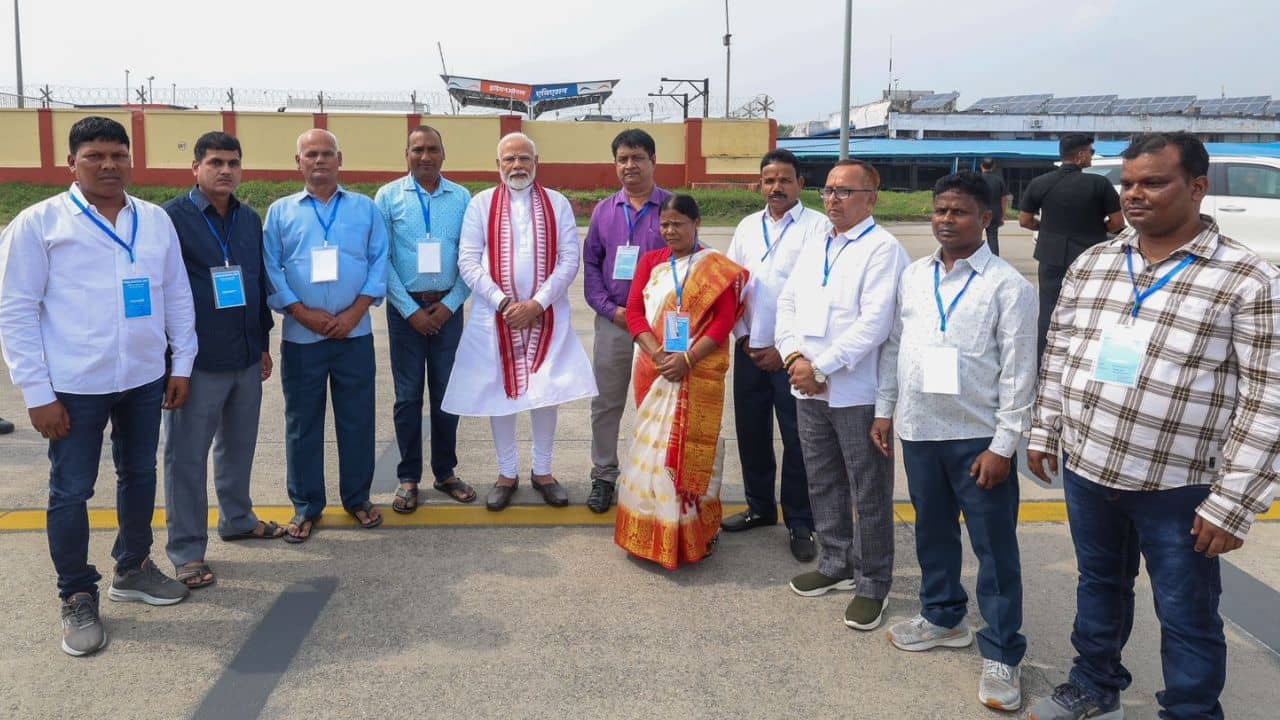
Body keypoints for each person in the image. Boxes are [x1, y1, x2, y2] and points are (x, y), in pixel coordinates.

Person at [1026, 133, 1279, 720]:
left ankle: (1189, 710)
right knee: (1099, 588)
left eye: (1153, 182)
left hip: (1181, 484)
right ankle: (1095, 686)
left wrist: (1233, 502)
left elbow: (1267, 399)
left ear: (1196, 187)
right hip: (1091, 467)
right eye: (1129, 183)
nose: (1135, 195)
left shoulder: (1247, 279)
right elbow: (1062, 348)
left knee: (1187, 611)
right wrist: (1045, 429)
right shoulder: (1096, 261)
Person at [0, 116, 197, 656]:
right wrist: (37, 394)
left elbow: (176, 294)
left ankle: (132, 567)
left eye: (118, 155)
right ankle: (77, 594)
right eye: (95, 156)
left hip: (141, 377)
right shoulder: (39, 224)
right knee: (71, 491)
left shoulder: (154, 220)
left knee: (138, 474)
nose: (109, 165)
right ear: (72, 163)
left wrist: (181, 364)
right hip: (73, 386)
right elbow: (15, 312)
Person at [872, 172, 1038, 712]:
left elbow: (1018, 374)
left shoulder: (1009, 287)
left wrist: (1003, 446)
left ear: (987, 218)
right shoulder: (915, 276)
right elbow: (897, 344)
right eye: (939, 210)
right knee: (932, 533)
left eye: (959, 212)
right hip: (920, 430)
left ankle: (1002, 652)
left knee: (994, 550)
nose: (946, 220)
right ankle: (944, 616)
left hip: (977, 440)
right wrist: (885, 408)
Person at [775, 159, 909, 631]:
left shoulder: (883, 249)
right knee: (822, 479)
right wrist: (794, 360)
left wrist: (822, 367)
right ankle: (835, 563)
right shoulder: (817, 242)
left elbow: (875, 324)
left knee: (868, 488)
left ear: (871, 198)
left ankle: (873, 583)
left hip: (856, 391)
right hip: (807, 388)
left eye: (845, 192)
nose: (832, 199)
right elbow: (786, 303)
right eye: (828, 191)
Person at [442, 133, 597, 510]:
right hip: (495, 317)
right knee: (501, 393)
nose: (517, 166)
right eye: (509, 159)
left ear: (536, 161)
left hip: (547, 315)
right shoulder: (481, 204)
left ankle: (543, 471)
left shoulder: (557, 203)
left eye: (524, 158)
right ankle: (506, 473)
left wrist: (538, 303)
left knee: (547, 392)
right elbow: (468, 261)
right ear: (498, 165)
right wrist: (503, 302)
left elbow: (568, 260)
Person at [161, 131, 282, 590]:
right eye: (215, 162)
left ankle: (237, 518)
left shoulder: (250, 220)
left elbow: (256, 283)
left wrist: (264, 344)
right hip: (197, 361)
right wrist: (174, 363)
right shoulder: (170, 219)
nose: (225, 170)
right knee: (186, 458)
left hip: (246, 356)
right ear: (195, 168)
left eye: (233, 162)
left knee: (238, 446)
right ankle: (187, 551)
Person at [263, 129, 389, 542]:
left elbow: (378, 262)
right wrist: (301, 312)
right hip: (303, 337)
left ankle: (357, 498)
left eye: (327, 154)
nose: (319, 161)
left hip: (355, 335)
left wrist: (354, 312)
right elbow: (272, 268)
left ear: (340, 159)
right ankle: (305, 506)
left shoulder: (366, 209)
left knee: (357, 421)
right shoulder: (281, 212)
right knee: (303, 424)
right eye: (311, 154)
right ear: (297, 162)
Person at [614, 194, 747, 569]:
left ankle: (691, 534)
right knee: (650, 451)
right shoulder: (650, 263)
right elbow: (635, 312)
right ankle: (648, 534)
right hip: (653, 369)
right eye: (665, 224)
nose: (670, 230)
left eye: (678, 223)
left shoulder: (714, 268)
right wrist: (657, 354)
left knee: (688, 451)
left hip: (695, 371)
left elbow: (724, 321)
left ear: (696, 223)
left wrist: (688, 358)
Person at [721, 149, 826, 561]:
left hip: (794, 356)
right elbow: (730, 285)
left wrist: (784, 350)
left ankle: (801, 521)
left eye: (785, 180)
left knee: (799, 439)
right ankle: (760, 507)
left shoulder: (818, 228)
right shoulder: (747, 227)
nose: (776, 187)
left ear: (800, 183)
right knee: (751, 432)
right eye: (769, 180)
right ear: (759, 184)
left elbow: (817, 295)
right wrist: (745, 338)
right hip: (749, 347)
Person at [374, 125, 474, 513]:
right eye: (418, 150)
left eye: (433, 150)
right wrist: (410, 310)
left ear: (444, 155)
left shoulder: (462, 198)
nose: (426, 157)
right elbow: (381, 259)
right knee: (408, 396)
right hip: (406, 314)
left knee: (448, 393)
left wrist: (450, 304)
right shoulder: (388, 197)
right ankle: (408, 476)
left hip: (449, 308)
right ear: (407, 155)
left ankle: (445, 472)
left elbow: (471, 258)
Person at [582, 129, 670, 513]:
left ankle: (661, 476)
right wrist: (609, 309)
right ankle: (603, 475)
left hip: (660, 327)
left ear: (653, 161)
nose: (629, 166)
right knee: (606, 401)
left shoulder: (672, 206)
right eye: (622, 159)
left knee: (664, 403)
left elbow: (691, 261)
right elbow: (591, 266)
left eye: (637, 157)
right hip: (616, 322)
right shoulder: (604, 210)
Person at [1019, 133, 1124, 360]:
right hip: (1091, 256)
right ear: (1080, 155)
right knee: (1090, 308)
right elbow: (1117, 223)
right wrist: (1096, 229)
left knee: (1048, 309)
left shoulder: (1039, 183)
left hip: (1051, 255)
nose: (1092, 156)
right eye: (1091, 152)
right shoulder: (1099, 184)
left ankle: (1044, 358)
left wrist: (1046, 229)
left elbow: (1025, 221)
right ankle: (1085, 356)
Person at [978, 158, 1010, 256]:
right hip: (995, 213)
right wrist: (1002, 216)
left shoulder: (977, 179)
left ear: (981, 166)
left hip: (979, 212)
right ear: (993, 167)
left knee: (974, 236)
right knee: (993, 237)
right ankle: (994, 259)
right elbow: (1004, 199)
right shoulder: (999, 180)